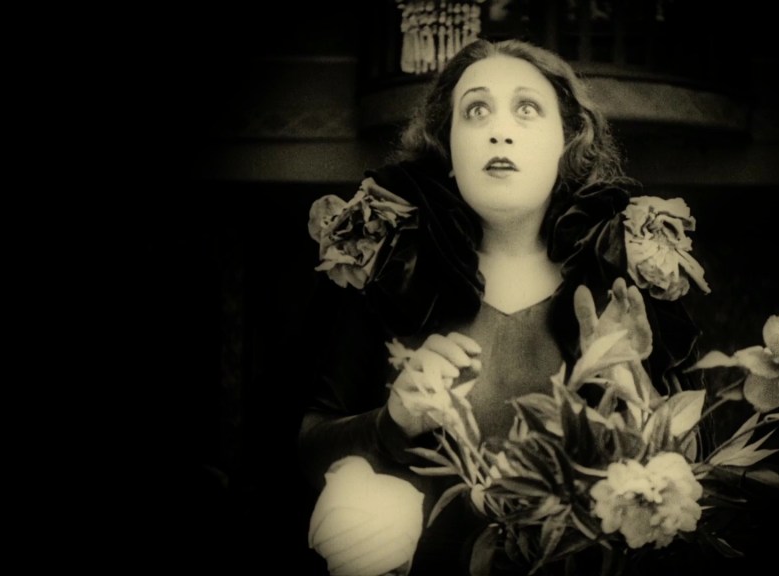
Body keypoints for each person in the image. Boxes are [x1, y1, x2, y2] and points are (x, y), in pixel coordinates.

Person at [298, 38, 701, 575]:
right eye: (476, 110)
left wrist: (633, 388)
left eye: (527, 108)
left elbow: (694, 482)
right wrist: (392, 421)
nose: (499, 130)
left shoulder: (623, 273)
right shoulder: (387, 268)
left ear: (567, 142)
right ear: (448, 148)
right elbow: (306, 451)